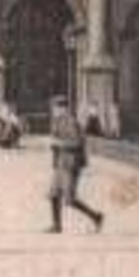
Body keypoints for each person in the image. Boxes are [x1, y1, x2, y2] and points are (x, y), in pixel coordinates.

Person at [46, 96, 104, 234]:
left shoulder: (70, 122)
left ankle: (96, 217)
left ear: (63, 108)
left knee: (69, 199)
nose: (53, 111)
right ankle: (57, 226)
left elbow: (77, 142)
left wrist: (58, 143)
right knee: (53, 195)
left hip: (71, 165)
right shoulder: (58, 121)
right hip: (61, 164)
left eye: (55, 108)